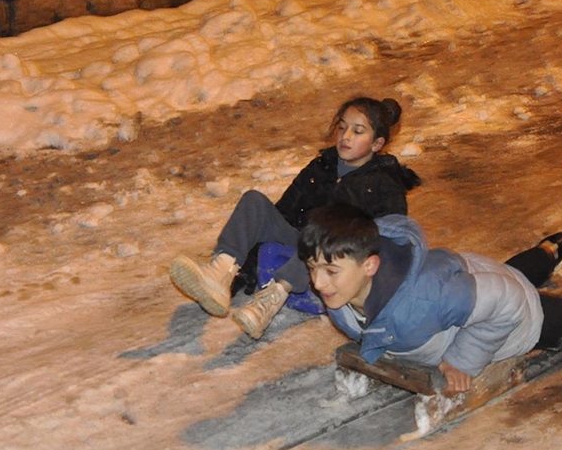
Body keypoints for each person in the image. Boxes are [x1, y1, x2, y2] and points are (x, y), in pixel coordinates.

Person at [298, 205, 562, 395]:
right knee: (495, 282)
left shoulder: (425, 302)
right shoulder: (351, 282)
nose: (318, 282)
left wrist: (462, 360)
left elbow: (507, 303)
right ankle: (557, 245)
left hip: (513, 313)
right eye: (313, 268)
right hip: (472, 283)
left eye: (330, 272)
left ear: (371, 265)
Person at [169, 97, 422, 339]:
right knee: (254, 201)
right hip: (298, 245)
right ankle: (222, 272)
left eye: (357, 131)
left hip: (336, 265)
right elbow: (284, 212)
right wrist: (246, 271)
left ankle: (274, 297)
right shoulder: (321, 167)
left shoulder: (384, 185)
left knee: (322, 231)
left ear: (376, 144)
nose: (345, 136)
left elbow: (390, 240)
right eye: (342, 127)